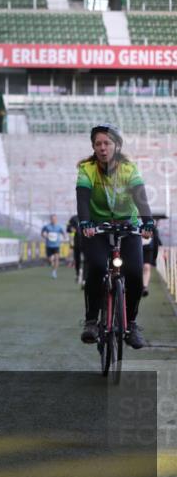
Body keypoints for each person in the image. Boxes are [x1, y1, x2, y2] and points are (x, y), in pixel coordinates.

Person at [76, 124, 154, 349]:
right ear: (93, 147)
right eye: (98, 144)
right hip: (97, 228)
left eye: (107, 143)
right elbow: (82, 199)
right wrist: (85, 223)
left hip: (127, 227)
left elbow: (141, 198)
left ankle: (131, 325)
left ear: (116, 145)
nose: (102, 148)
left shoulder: (129, 169)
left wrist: (147, 221)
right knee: (98, 267)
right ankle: (91, 321)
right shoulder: (87, 170)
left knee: (134, 274)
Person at [40, 214, 67, 279]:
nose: (53, 220)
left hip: (56, 245)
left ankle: (54, 271)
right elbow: (42, 233)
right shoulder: (47, 226)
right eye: (52, 219)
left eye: (55, 219)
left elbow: (63, 233)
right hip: (49, 245)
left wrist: (64, 237)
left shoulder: (59, 227)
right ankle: (52, 265)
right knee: (50, 260)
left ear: (56, 219)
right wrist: (44, 235)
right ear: (50, 219)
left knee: (57, 258)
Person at [142, 221, 161, 298]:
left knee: (146, 267)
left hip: (148, 249)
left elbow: (156, 243)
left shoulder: (154, 229)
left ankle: (144, 287)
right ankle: (138, 285)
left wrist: (154, 259)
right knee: (138, 268)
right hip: (137, 246)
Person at [66, 214, 83, 284]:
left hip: (88, 242)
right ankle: (78, 274)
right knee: (77, 259)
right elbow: (68, 228)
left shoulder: (90, 216)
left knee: (88, 260)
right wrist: (71, 229)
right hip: (77, 243)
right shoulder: (73, 218)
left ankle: (85, 277)